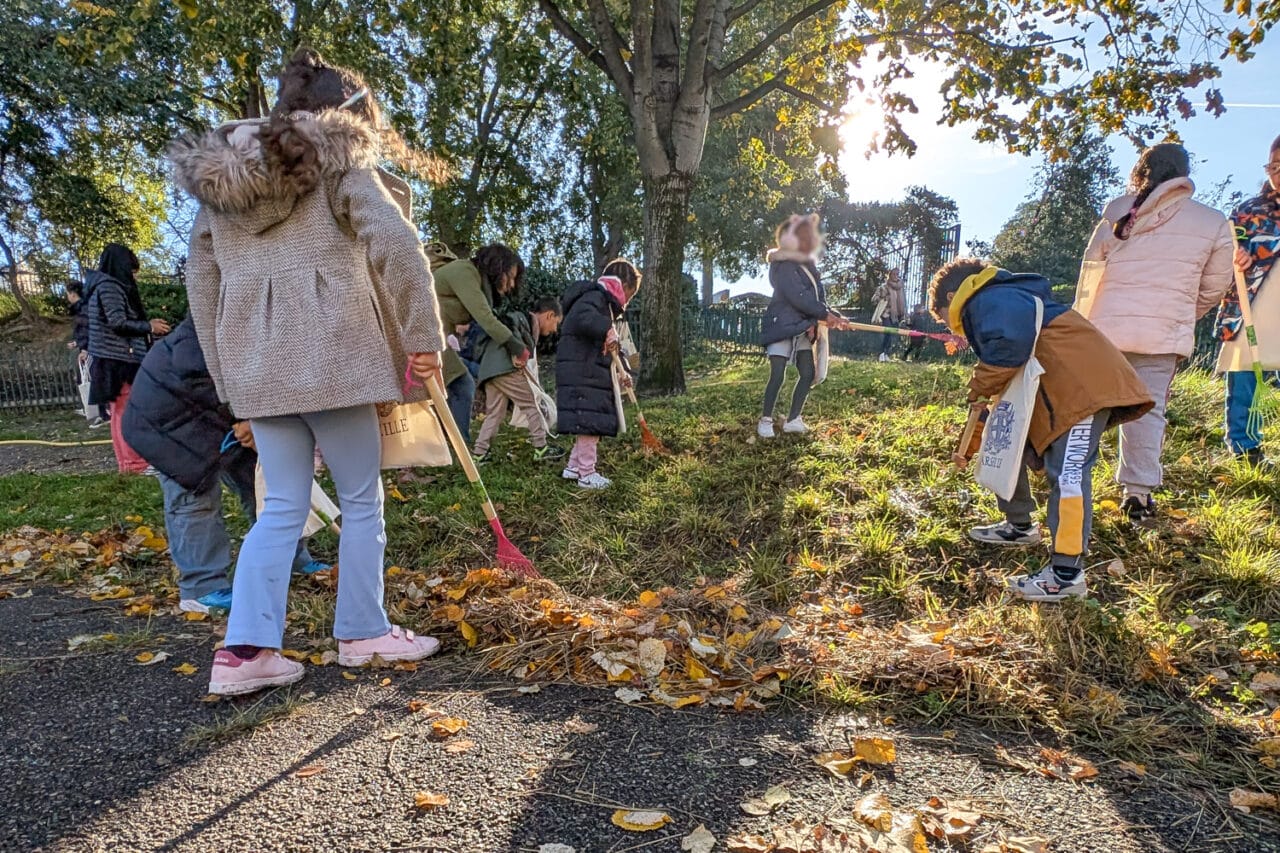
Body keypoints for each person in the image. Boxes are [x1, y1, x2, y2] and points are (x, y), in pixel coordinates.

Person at [171, 47, 448, 696]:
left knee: (282, 508)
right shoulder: (341, 158)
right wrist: (422, 337)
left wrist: (229, 381)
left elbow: (201, 288)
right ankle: (361, 632)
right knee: (360, 498)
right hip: (336, 360)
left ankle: (244, 652)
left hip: (258, 373)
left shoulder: (221, 186)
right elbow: (397, 243)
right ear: (345, 113)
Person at [930, 258, 1152, 601]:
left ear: (951, 296)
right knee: (1005, 446)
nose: (951, 327)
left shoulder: (989, 297)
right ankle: (1019, 526)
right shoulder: (1003, 297)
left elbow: (1008, 347)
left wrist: (978, 386)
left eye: (943, 317)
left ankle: (1065, 574)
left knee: (1068, 475)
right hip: (1059, 394)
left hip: (1085, 392)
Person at [121, 318, 329, 614]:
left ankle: (291, 559)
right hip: (168, 423)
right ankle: (202, 587)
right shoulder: (212, 319)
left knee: (269, 485)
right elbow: (196, 371)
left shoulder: (274, 320)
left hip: (218, 418)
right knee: (195, 499)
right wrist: (242, 417)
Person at [1077, 143, 1234, 521]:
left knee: (1089, 405)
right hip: (1161, 335)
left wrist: (1082, 322)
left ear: (1142, 171)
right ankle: (1138, 493)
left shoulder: (1118, 214)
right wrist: (1180, 314)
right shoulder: (1213, 222)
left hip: (1104, 330)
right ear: (1184, 172)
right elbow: (1216, 286)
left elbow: (1090, 271)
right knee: (1149, 412)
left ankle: (1069, 477)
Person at [1217, 134, 1280, 465]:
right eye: (1273, 165)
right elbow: (1226, 244)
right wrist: (1236, 255)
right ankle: (1244, 447)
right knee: (1245, 376)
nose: (1277, 172)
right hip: (1252, 304)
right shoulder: (1248, 211)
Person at [757, 214, 850, 439]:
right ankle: (766, 419)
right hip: (782, 325)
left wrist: (835, 316)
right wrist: (823, 314)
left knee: (808, 373)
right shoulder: (783, 265)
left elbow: (816, 300)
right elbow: (797, 296)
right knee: (777, 374)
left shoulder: (808, 267)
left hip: (803, 327)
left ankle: (793, 419)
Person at [83, 243, 171, 473]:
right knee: (127, 411)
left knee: (118, 411)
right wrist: (148, 327)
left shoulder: (98, 286)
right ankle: (135, 464)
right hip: (118, 359)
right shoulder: (110, 287)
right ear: (122, 267)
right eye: (132, 271)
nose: (134, 277)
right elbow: (117, 322)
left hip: (109, 357)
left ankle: (127, 464)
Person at [556, 259, 642, 490]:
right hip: (583, 373)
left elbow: (610, 347)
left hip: (586, 370)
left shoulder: (602, 304)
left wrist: (622, 371)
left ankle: (573, 467)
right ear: (622, 285)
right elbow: (585, 319)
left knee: (587, 421)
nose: (628, 300)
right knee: (590, 423)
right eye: (630, 293)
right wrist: (606, 327)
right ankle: (587, 472)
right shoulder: (594, 297)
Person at [433, 245, 527, 444]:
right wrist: (518, 347)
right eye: (510, 276)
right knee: (460, 383)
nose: (511, 285)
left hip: (434, 334)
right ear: (497, 267)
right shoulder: (465, 271)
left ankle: (450, 442)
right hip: (421, 333)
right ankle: (459, 446)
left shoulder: (474, 280)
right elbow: (485, 317)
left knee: (456, 384)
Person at [472, 296, 564, 463]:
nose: (555, 329)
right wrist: (516, 351)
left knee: (495, 413)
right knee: (532, 403)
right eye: (556, 322)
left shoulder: (527, 324)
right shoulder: (522, 318)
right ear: (549, 315)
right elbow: (506, 323)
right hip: (505, 369)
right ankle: (541, 447)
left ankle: (480, 452)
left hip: (490, 371)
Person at [66, 281, 110, 428]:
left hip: (92, 348)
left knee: (94, 378)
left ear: (73, 293)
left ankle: (104, 413)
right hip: (90, 346)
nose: (67, 297)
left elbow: (88, 329)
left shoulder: (83, 308)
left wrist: (85, 348)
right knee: (89, 378)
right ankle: (98, 411)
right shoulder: (82, 307)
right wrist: (78, 343)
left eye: (67, 294)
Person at [873, 269, 906, 361]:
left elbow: (904, 302)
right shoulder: (883, 287)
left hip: (896, 315)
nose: (896, 276)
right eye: (894, 274)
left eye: (897, 274)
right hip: (886, 314)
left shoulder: (900, 288)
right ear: (889, 275)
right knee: (888, 333)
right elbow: (874, 300)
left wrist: (904, 314)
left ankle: (886, 353)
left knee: (891, 334)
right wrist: (884, 298)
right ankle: (881, 353)